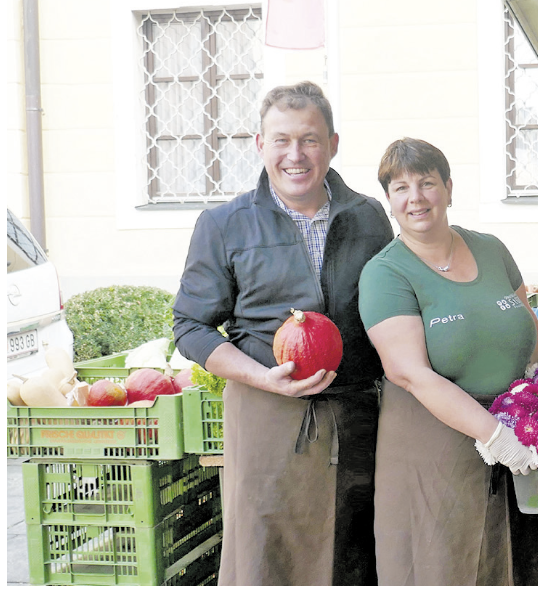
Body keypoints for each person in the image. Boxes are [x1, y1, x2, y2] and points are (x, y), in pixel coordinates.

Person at [172, 81, 391, 585]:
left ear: (333, 144)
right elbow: (191, 325)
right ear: (260, 144)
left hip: (355, 417)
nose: (296, 155)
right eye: (282, 140)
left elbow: (389, 309)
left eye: (310, 139)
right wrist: (263, 377)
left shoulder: (369, 217)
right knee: (266, 551)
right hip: (266, 414)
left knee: (352, 551)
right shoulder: (225, 224)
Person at [358, 137, 538, 585]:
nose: (416, 198)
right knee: (443, 563)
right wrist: (496, 436)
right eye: (401, 188)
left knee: (515, 562)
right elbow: (409, 372)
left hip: (518, 443)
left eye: (427, 183)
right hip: (435, 449)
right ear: (389, 200)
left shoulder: (491, 249)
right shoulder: (385, 273)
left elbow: (533, 334)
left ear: (448, 187)